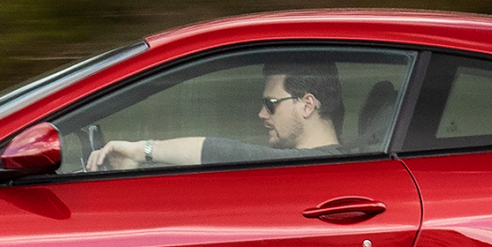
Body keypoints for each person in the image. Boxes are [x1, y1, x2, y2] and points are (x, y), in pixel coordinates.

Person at [86, 61, 348, 170]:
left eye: (271, 103)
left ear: (307, 105)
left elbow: (220, 152)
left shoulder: (323, 167)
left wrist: (140, 150)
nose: (261, 113)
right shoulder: (331, 163)